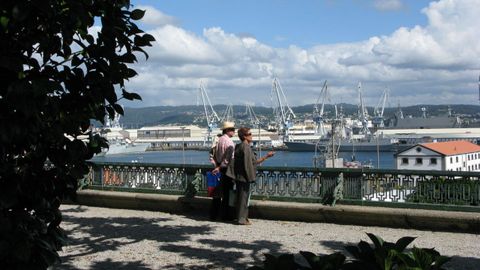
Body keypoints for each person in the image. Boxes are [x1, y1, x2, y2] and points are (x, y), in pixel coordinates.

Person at [228, 127, 274, 225]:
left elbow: (252, 162)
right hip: (244, 177)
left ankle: (243, 217)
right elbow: (248, 164)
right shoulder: (246, 147)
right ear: (244, 136)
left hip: (239, 176)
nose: (251, 135)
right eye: (250, 134)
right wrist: (251, 177)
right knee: (243, 198)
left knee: (242, 198)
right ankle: (242, 219)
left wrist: (266, 156)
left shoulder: (239, 146)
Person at [210, 121, 236, 221]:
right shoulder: (229, 142)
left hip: (218, 168)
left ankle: (214, 214)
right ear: (228, 130)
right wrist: (220, 167)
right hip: (226, 169)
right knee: (227, 193)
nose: (234, 131)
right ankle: (226, 215)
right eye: (233, 130)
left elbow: (212, 154)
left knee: (217, 194)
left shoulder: (219, 139)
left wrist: (216, 165)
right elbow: (228, 159)